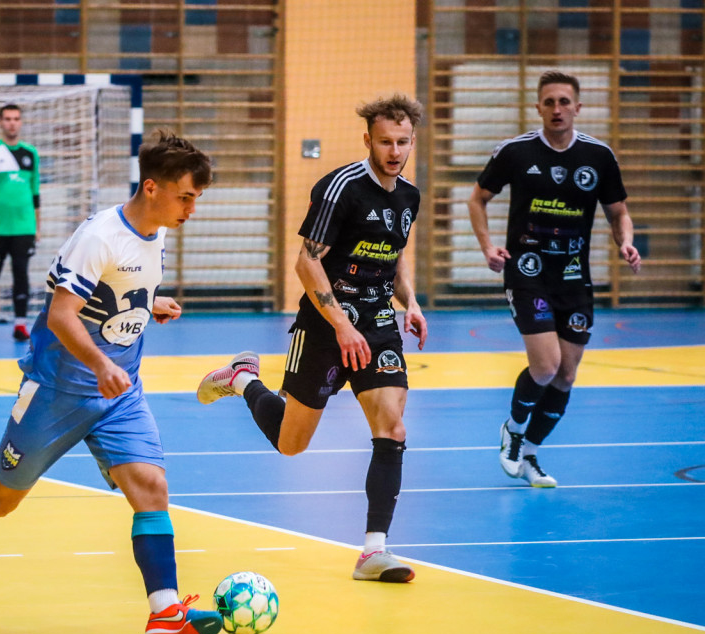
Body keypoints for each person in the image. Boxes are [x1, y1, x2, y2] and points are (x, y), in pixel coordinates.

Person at [0, 130, 223, 634]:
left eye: (196, 199)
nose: (191, 208)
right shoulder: (100, 236)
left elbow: (121, 289)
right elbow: (60, 315)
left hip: (119, 393)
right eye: (186, 196)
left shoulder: (156, 231)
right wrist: (99, 363)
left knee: (151, 487)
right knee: (1, 500)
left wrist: (146, 306)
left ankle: (165, 612)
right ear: (151, 188)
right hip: (57, 390)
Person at [197, 94, 427, 583]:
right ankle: (242, 380)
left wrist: (412, 302)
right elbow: (307, 261)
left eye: (402, 142)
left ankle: (373, 551)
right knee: (291, 444)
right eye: (385, 141)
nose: (394, 150)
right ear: (368, 139)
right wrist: (341, 324)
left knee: (393, 425)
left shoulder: (408, 196)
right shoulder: (340, 187)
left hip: (378, 323)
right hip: (326, 324)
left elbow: (395, 256)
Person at [467, 70, 641, 487]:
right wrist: (488, 247)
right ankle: (512, 429)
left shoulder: (598, 157)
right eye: (549, 102)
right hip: (527, 271)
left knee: (567, 375)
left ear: (578, 108)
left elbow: (618, 211)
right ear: (538, 107)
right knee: (545, 367)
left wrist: (625, 242)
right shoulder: (516, 152)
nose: (557, 109)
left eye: (565, 101)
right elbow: (477, 198)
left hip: (573, 276)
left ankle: (530, 454)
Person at [0, 104, 41, 342]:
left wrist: (38, 227)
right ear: (0, 122)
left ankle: (20, 325)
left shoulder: (30, 153)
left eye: (16, 119)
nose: (12, 123)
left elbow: (35, 194)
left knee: (21, 275)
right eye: (7, 119)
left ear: (21, 122)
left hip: (24, 228)